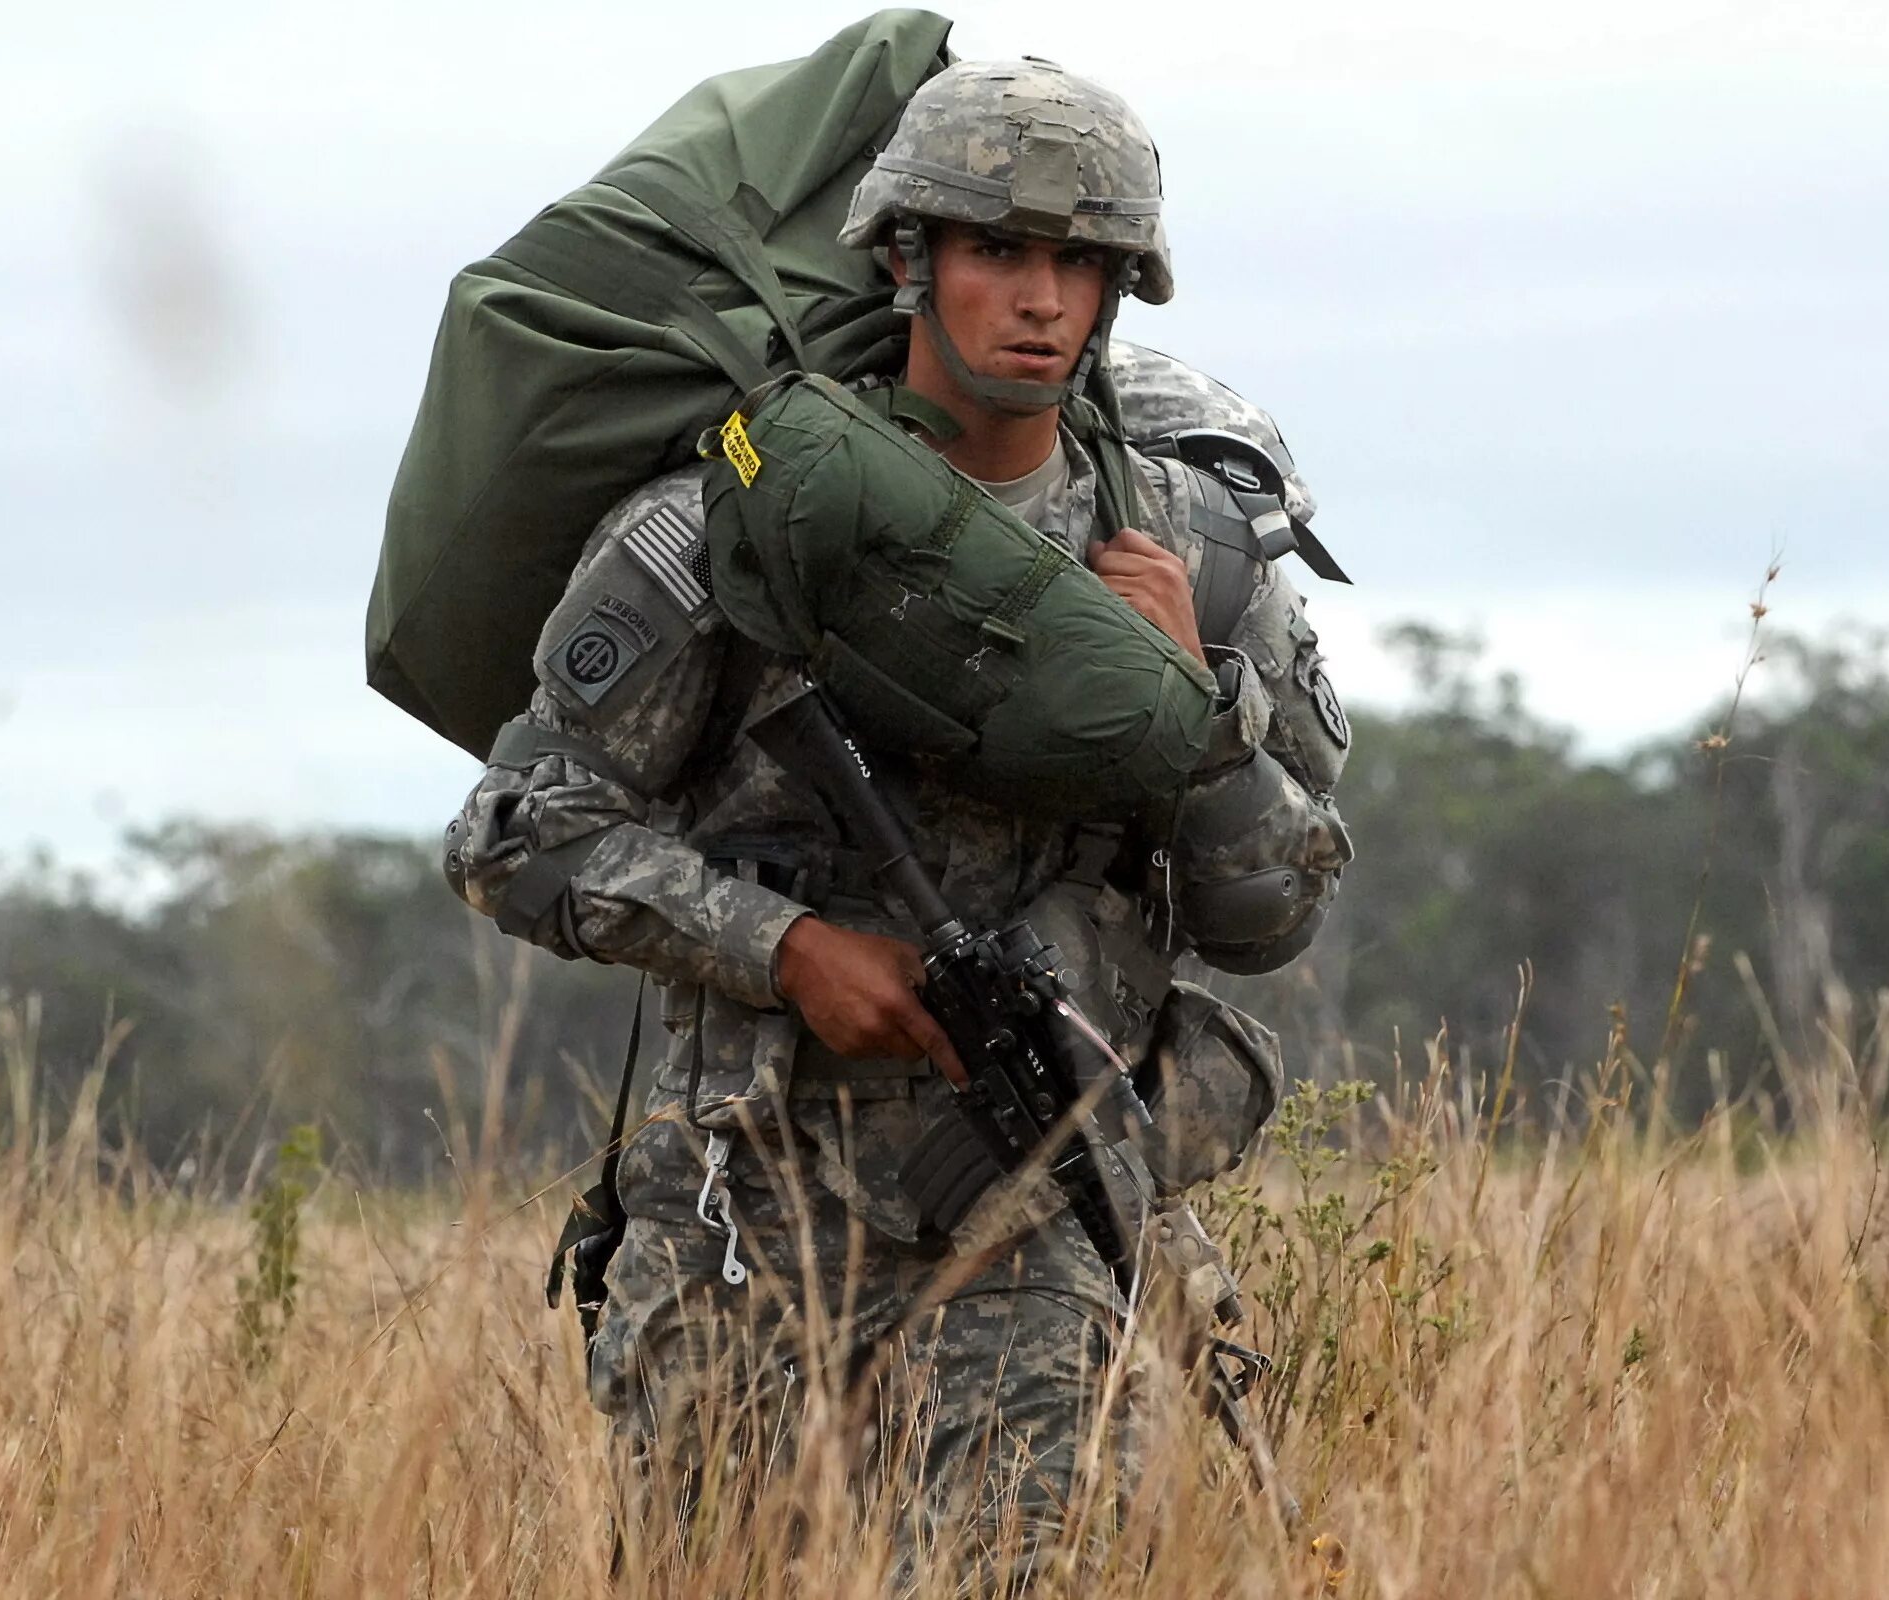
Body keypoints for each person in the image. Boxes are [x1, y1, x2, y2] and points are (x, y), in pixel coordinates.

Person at [444, 57, 1353, 1583]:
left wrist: (1203, 714)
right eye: (999, 249)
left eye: (1082, 262)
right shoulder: (733, 525)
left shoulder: (1191, 554)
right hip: (747, 1222)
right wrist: (785, 949)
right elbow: (518, 832)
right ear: (905, 261)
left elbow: (1276, 917)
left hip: (1039, 1212)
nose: (1043, 299)